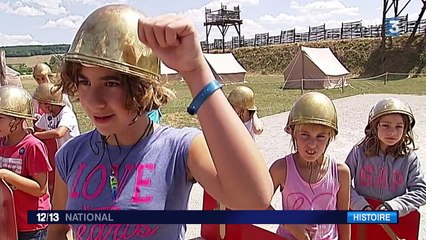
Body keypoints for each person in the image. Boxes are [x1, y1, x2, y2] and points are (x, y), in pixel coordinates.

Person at [46, 4, 273, 240]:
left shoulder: (178, 149)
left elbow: (254, 199)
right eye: (84, 82)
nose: (94, 101)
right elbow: (58, 229)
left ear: (140, 87)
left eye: (111, 83)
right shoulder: (71, 155)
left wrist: (195, 70)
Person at [269, 92, 350, 240]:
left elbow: (343, 216)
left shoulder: (340, 172)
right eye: (304, 135)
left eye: (320, 136)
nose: (312, 144)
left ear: (330, 137)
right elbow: (260, 203)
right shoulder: (281, 169)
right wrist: (289, 224)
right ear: (293, 133)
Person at [345, 98, 426, 215]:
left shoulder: (409, 159)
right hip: (362, 216)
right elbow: (342, 182)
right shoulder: (359, 152)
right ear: (374, 126)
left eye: (398, 127)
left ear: (405, 129)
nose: (392, 132)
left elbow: (421, 191)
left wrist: (393, 206)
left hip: (393, 221)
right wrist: (359, 205)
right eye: (385, 125)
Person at [0, 85, 51, 240]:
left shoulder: (33, 146)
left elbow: (40, 189)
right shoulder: (1, 143)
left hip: (32, 226)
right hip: (9, 222)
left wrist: (6, 174)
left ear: (16, 120)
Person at [32, 82, 80, 149]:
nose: (39, 107)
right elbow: (37, 127)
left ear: (48, 104)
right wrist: (30, 130)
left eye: (40, 103)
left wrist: (36, 135)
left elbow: (59, 133)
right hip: (62, 153)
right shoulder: (48, 115)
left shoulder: (67, 114)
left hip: (74, 152)